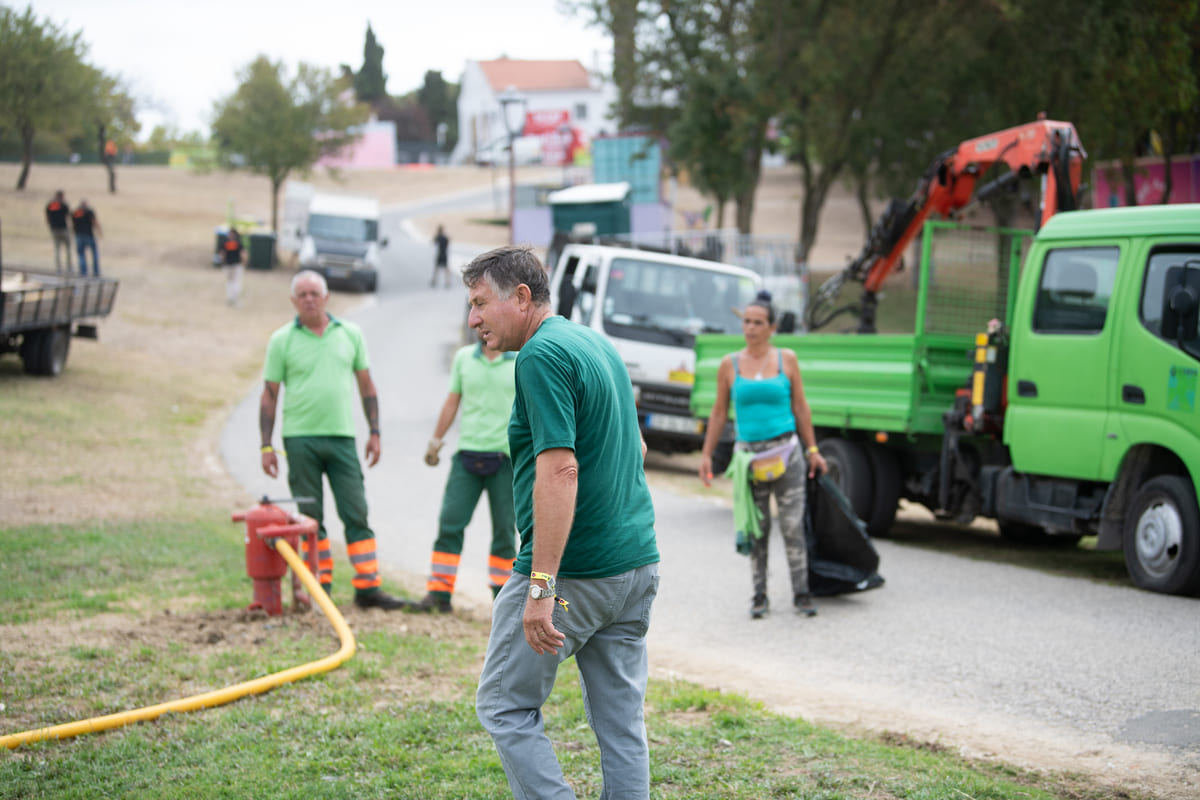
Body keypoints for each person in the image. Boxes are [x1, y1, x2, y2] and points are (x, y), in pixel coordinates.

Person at [467, 245, 660, 800]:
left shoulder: (539, 357)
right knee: (622, 722)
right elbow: (637, 446)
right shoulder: (594, 343)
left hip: (575, 577)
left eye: (481, 303)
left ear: (521, 297)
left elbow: (559, 471)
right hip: (637, 569)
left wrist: (542, 587)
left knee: (505, 705)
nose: (473, 319)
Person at [259, 270, 408, 611]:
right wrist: (266, 445)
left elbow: (367, 386)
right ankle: (318, 587)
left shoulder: (350, 334)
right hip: (300, 440)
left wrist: (375, 432)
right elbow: (269, 395)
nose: (309, 299)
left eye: (315, 293)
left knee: (356, 511)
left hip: (342, 439)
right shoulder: (281, 340)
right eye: (302, 294)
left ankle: (368, 588)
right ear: (294, 301)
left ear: (326, 297)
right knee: (311, 517)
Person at [699, 290, 828, 619]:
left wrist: (813, 449)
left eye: (758, 323)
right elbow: (718, 413)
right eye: (747, 322)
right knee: (756, 530)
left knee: (792, 526)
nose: (751, 328)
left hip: (787, 453)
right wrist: (706, 455)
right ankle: (759, 596)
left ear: (772, 328)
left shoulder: (788, 359)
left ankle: (802, 592)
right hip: (749, 461)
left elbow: (801, 407)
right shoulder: (730, 365)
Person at [413, 333, 518, 613]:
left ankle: (504, 602)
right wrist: (435, 441)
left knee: (505, 533)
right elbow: (452, 401)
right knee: (450, 522)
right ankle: (438, 593)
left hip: (505, 459)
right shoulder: (464, 358)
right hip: (467, 456)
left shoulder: (519, 360)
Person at [71, 200, 101, 277]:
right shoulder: (89, 212)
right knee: (94, 254)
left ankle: (83, 272)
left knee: (81, 255)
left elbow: (72, 223)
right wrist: (99, 230)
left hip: (78, 235)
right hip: (88, 235)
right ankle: (96, 272)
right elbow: (94, 222)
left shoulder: (75, 212)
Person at [45, 191, 72, 272]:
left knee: (57, 248)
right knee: (68, 248)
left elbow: (47, 217)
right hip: (63, 228)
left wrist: (50, 226)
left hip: (54, 229)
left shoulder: (50, 205)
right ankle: (69, 266)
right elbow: (69, 216)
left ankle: (58, 267)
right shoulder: (64, 205)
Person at [221, 227, 245, 307]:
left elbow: (222, 254)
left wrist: (222, 262)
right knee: (235, 282)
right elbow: (243, 255)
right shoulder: (238, 243)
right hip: (236, 265)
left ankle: (231, 297)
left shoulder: (225, 243)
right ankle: (234, 298)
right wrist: (244, 263)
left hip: (228, 265)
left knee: (230, 282)